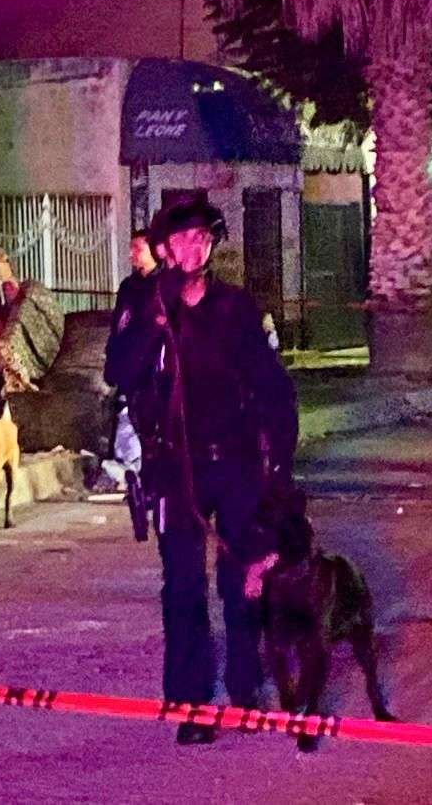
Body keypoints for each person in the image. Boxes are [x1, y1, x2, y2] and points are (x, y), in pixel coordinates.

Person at [113, 200, 298, 746]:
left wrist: (280, 465)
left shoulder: (236, 307)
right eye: (182, 240)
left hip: (236, 461)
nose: (193, 249)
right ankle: (190, 700)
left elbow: (272, 387)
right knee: (183, 586)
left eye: (202, 238)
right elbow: (119, 371)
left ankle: (245, 687)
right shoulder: (145, 303)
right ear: (163, 249)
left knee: (243, 579)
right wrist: (157, 317)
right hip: (176, 466)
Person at [103, 229, 162, 474]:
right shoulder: (129, 286)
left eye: (138, 248)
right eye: (131, 248)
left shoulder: (163, 285)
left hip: (153, 368)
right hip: (129, 366)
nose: (132, 254)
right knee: (131, 420)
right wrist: (112, 361)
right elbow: (119, 325)